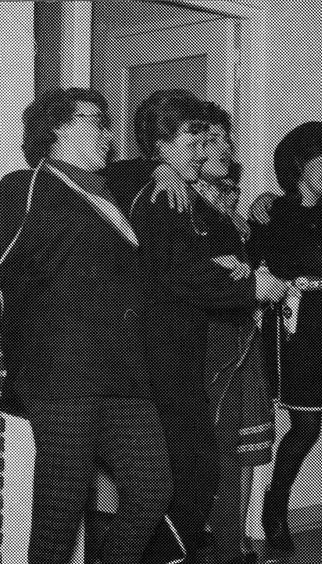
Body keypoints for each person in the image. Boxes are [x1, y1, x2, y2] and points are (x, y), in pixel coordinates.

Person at [0, 87, 172, 564]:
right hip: (61, 376)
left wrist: (164, 169)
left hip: (124, 376)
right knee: (61, 511)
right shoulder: (24, 187)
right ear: (55, 130)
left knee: (152, 490)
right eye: (95, 123)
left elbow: (146, 168)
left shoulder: (106, 191)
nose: (107, 135)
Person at [129, 89, 286, 563]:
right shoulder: (163, 195)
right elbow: (179, 274)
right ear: (163, 146)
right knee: (189, 471)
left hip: (185, 347)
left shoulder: (180, 193)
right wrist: (249, 286)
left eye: (207, 141)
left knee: (196, 469)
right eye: (194, 141)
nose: (206, 151)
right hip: (168, 352)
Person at [248, 122, 322, 555]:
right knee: (306, 428)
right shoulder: (272, 213)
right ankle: (275, 510)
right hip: (298, 325)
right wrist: (260, 204)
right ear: (299, 164)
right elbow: (255, 268)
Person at [195, 102, 274, 564]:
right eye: (211, 140)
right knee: (217, 443)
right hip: (209, 339)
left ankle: (237, 536)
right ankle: (218, 540)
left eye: (226, 138)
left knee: (245, 444)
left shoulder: (234, 205)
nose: (223, 148)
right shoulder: (177, 199)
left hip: (244, 334)